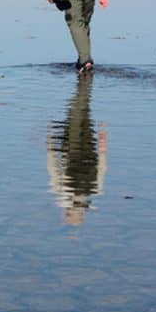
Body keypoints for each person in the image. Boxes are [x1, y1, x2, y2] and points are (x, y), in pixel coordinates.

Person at [46, 75, 108, 226]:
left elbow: (102, 166)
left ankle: (84, 83)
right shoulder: (65, 192)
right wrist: (49, 144)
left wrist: (102, 141)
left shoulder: (93, 191)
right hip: (75, 149)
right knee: (77, 113)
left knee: (82, 113)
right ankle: (84, 83)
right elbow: (53, 167)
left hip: (85, 148)